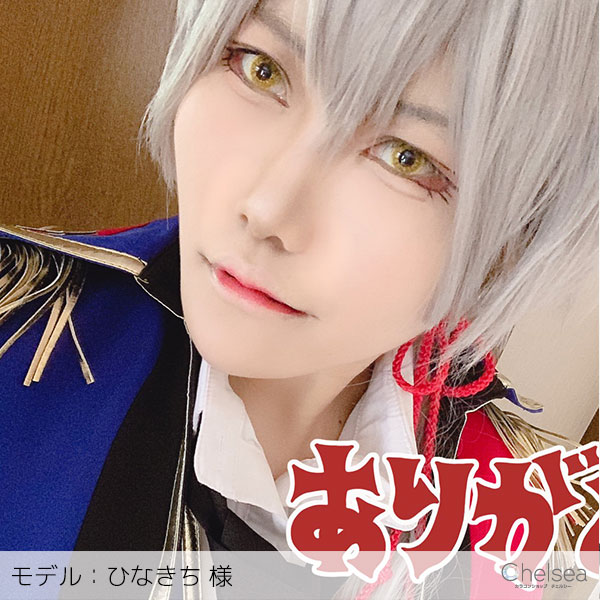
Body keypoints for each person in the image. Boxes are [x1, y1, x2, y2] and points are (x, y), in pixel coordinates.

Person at [0, 0, 597, 598]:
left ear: (518, 233)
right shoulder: (17, 328)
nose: (268, 210)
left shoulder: (517, 521)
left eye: (405, 158)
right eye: (261, 69)